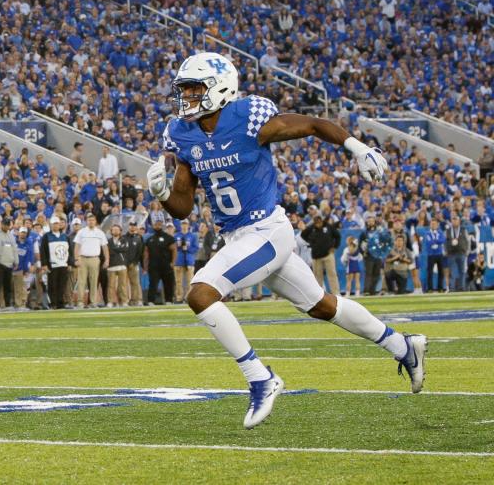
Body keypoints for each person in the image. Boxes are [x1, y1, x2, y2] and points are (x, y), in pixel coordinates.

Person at [146, 52, 427, 429]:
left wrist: (358, 148)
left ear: (220, 87)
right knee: (322, 306)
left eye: (195, 89)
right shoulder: (182, 134)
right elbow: (182, 207)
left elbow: (312, 124)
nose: (188, 98)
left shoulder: (248, 119)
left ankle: (260, 378)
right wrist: (162, 193)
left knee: (200, 293)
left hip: (267, 230)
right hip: (237, 237)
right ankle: (403, 346)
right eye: (185, 90)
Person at [38, 214, 73, 309]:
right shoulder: (46, 236)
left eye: (57, 224)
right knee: (52, 285)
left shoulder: (65, 236)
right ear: (50, 225)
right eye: (53, 224)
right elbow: (43, 251)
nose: (55, 225)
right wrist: (44, 264)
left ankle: (60, 303)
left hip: (63, 264)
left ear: (60, 225)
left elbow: (70, 251)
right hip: (52, 265)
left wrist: (70, 263)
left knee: (62, 285)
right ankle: (53, 303)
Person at [74, 213, 108, 308]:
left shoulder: (100, 233)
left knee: (94, 281)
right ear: (86, 222)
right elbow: (77, 246)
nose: (91, 222)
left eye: (92, 220)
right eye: (89, 220)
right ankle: (80, 302)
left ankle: (93, 302)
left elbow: (105, 247)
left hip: (94, 259)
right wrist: (76, 258)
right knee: (81, 281)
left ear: (95, 221)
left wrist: (107, 260)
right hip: (83, 258)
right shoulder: (81, 232)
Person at [302, 212, 341, 294]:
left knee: (332, 274)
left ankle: (336, 293)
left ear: (322, 220)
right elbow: (303, 234)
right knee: (317, 276)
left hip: (328, 254)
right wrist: (310, 242)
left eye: (319, 222)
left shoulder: (328, 226)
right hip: (316, 256)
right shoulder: (311, 228)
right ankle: (318, 295)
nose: (318, 224)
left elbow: (338, 236)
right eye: (316, 222)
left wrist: (335, 247)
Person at [144, 219, 175, 304]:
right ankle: (151, 301)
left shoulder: (169, 238)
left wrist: (173, 262)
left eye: (159, 225)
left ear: (162, 226)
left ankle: (169, 300)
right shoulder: (149, 239)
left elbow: (174, 250)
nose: (157, 226)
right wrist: (145, 266)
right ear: (153, 226)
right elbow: (146, 254)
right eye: (156, 225)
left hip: (166, 265)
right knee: (153, 284)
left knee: (168, 284)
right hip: (153, 266)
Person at [173, 219, 198, 302]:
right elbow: (173, 248)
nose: (184, 226)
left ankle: (189, 297)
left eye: (185, 224)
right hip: (179, 260)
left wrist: (188, 248)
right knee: (178, 281)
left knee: (190, 281)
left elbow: (196, 248)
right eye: (183, 224)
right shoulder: (176, 236)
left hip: (189, 260)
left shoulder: (192, 236)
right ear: (180, 225)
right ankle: (179, 297)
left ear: (188, 225)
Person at [106, 224, 130, 307]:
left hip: (122, 265)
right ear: (111, 231)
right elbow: (107, 251)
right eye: (114, 229)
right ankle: (110, 301)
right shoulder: (108, 241)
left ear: (120, 231)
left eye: (117, 229)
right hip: (111, 265)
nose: (115, 231)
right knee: (111, 285)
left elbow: (125, 249)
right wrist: (118, 249)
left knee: (122, 285)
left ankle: (124, 301)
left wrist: (114, 249)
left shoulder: (124, 240)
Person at [121, 220, 144, 306]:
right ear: (128, 226)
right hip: (123, 263)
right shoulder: (123, 237)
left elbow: (140, 252)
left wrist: (135, 262)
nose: (132, 227)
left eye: (134, 225)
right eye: (131, 225)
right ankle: (124, 300)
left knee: (135, 283)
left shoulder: (138, 238)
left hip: (133, 264)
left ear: (136, 227)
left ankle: (135, 300)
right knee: (122, 283)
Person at [420, 219, 446, 292]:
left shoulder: (440, 232)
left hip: (439, 254)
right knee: (430, 272)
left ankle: (440, 288)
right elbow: (428, 242)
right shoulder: (427, 233)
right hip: (431, 254)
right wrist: (437, 242)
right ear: (430, 225)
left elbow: (443, 240)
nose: (433, 225)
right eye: (432, 224)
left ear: (437, 225)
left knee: (441, 272)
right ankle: (430, 288)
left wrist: (435, 241)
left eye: (434, 224)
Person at [444, 215, 469, 292]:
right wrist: (446, 251)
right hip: (451, 253)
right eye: (453, 219)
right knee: (452, 271)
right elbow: (445, 242)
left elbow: (468, 241)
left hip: (461, 253)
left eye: (456, 219)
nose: (454, 221)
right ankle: (452, 288)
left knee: (462, 271)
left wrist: (467, 251)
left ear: (459, 221)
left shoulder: (463, 230)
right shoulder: (448, 230)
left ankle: (461, 287)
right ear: (451, 221)